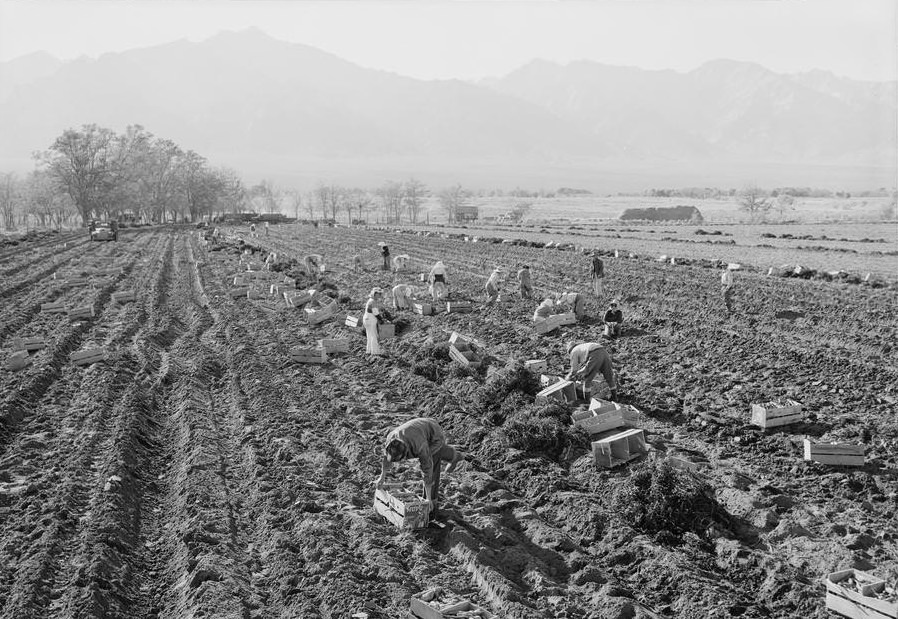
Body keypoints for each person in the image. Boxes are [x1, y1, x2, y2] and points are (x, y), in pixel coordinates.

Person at [376, 417, 462, 514]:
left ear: (406, 453)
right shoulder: (391, 440)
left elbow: (427, 469)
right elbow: (385, 457)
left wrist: (428, 499)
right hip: (419, 428)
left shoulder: (420, 446)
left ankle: (431, 504)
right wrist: (382, 476)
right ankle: (454, 456)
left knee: (433, 459)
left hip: (434, 432)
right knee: (435, 453)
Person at [363, 288, 389, 355]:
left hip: (366, 319)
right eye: (378, 294)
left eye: (380, 294)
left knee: (369, 335)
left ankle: (369, 351)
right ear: (375, 294)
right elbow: (375, 313)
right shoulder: (373, 302)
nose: (380, 295)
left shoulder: (370, 300)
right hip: (370, 319)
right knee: (374, 335)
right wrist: (381, 319)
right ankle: (375, 352)